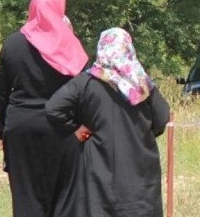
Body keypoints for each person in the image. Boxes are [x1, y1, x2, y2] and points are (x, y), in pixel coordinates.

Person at [46, 28, 170, 216]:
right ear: (128, 48)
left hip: (99, 170)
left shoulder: (86, 82)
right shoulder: (142, 83)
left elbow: (53, 108)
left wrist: (76, 128)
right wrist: (141, 134)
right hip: (139, 170)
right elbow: (162, 118)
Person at [0, 0, 89, 217]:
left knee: (25, 197)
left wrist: (2, 132)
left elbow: (0, 94)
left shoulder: (13, 44)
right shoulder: (70, 46)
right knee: (63, 199)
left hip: (21, 129)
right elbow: (85, 91)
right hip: (62, 130)